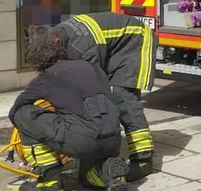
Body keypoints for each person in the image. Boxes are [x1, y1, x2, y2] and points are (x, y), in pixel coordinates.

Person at [26, 12, 158, 182]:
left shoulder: (84, 49)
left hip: (135, 41)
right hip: (111, 44)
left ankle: (143, 159)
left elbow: (91, 90)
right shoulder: (55, 36)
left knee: (123, 99)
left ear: (56, 42)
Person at [9, 31, 128, 191]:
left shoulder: (45, 79)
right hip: (113, 139)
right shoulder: (92, 67)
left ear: (37, 59)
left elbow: (15, 111)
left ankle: (50, 180)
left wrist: (49, 116)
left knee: (23, 115)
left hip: (83, 141)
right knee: (87, 178)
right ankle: (104, 170)